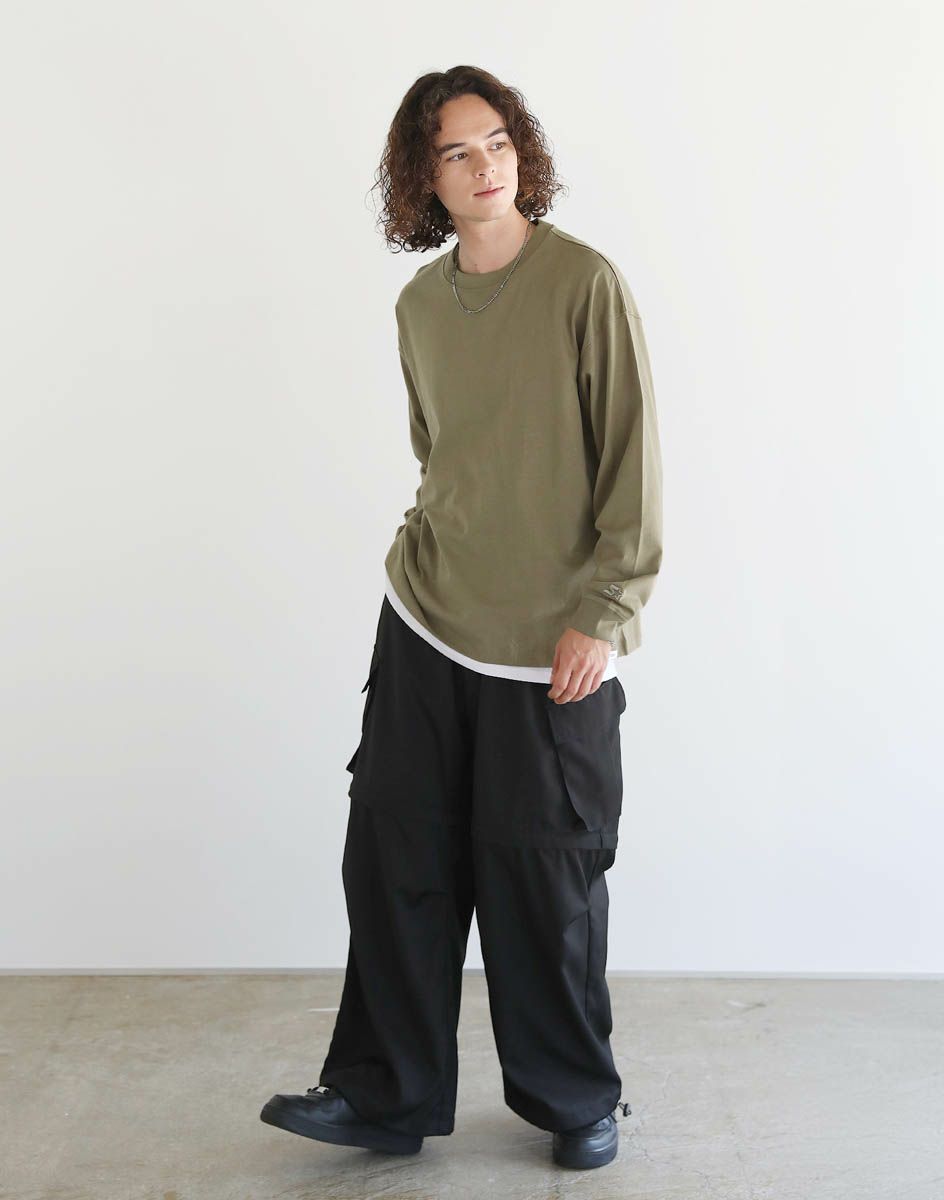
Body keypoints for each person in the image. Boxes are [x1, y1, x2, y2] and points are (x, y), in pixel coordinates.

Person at [261, 64, 662, 1172]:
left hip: (549, 640)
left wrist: (603, 610)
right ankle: (383, 1095)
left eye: (497, 143)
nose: (485, 166)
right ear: (424, 180)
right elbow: (439, 456)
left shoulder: (584, 284)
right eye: (456, 153)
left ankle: (575, 1097)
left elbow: (631, 464)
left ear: (520, 151)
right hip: (426, 616)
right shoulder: (420, 307)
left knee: (544, 875)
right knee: (395, 859)